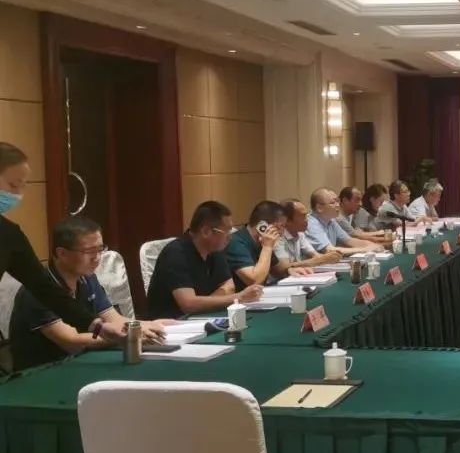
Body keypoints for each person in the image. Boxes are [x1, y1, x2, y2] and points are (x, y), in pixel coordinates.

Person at [0, 142, 125, 341]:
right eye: (13, 185)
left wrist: (96, 326)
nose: (17, 195)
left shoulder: (8, 234)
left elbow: (46, 289)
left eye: (22, 187)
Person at [9, 217, 169, 371]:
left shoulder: (87, 278)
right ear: (62, 253)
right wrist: (128, 336)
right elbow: (72, 342)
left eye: (100, 249)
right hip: (42, 372)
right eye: (89, 251)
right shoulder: (37, 291)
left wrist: (149, 325)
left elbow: (114, 319)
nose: (97, 258)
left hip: (79, 363)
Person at [146, 201, 263, 319]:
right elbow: (188, 304)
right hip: (170, 323)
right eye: (226, 231)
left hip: (200, 317)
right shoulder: (176, 253)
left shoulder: (214, 249)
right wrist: (239, 297)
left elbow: (229, 287)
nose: (230, 237)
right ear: (206, 231)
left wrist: (202, 304)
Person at [226, 201, 313, 289]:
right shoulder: (235, 243)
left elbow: (277, 269)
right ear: (262, 226)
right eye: (281, 226)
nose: (282, 233)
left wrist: (289, 270)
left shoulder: (262, 242)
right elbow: (254, 281)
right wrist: (267, 247)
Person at [306, 188, 384, 255]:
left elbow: (350, 240)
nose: (337, 205)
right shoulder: (311, 224)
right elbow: (330, 250)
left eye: (337, 201)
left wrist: (374, 245)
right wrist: (365, 249)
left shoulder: (331, 221)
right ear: (319, 208)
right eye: (332, 203)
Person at [274, 199, 343, 268]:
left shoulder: (300, 234)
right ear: (288, 221)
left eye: (307, 215)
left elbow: (316, 256)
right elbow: (283, 267)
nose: (307, 220)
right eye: (303, 216)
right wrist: (320, 260)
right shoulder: (278, 236)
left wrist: (331, 257)